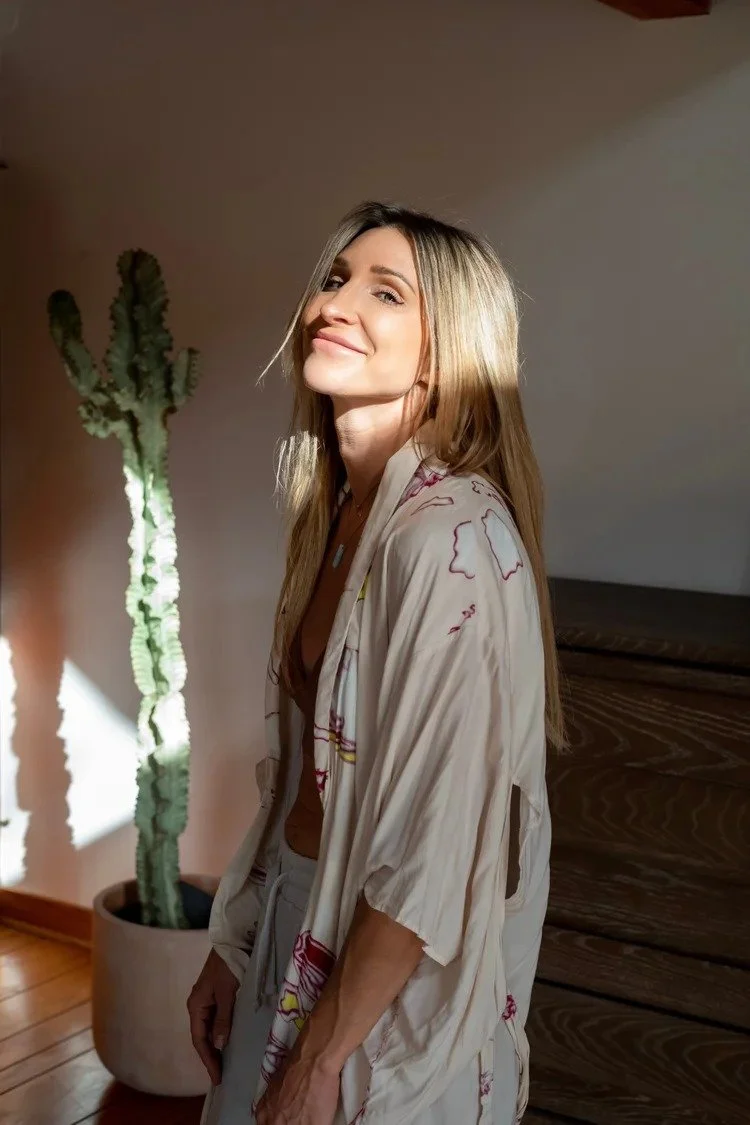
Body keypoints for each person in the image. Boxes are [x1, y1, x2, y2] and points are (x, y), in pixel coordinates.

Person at [188, 200, 564, 1125]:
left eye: (384, 291)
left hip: (382, 976)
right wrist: (235, 944)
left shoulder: (450, 541)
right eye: (333, 279)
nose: (334, 304)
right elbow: (299, 785)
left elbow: (431, 852)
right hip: (294, 914)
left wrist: (320, 1062)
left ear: (444, 353)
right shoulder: (337, 523)